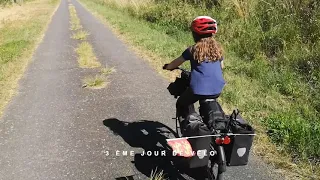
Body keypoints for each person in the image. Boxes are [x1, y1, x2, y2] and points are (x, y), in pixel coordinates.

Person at [163, 16, 225, 128]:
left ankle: (189, 128)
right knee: (206, 104)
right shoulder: (218, 49)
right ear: (212, 34)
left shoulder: (193, 49)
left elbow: (176, 63)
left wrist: (168, 67)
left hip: (198, 90)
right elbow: (222, 66)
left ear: (195, 34)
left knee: (181, 103)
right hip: (217, 89)